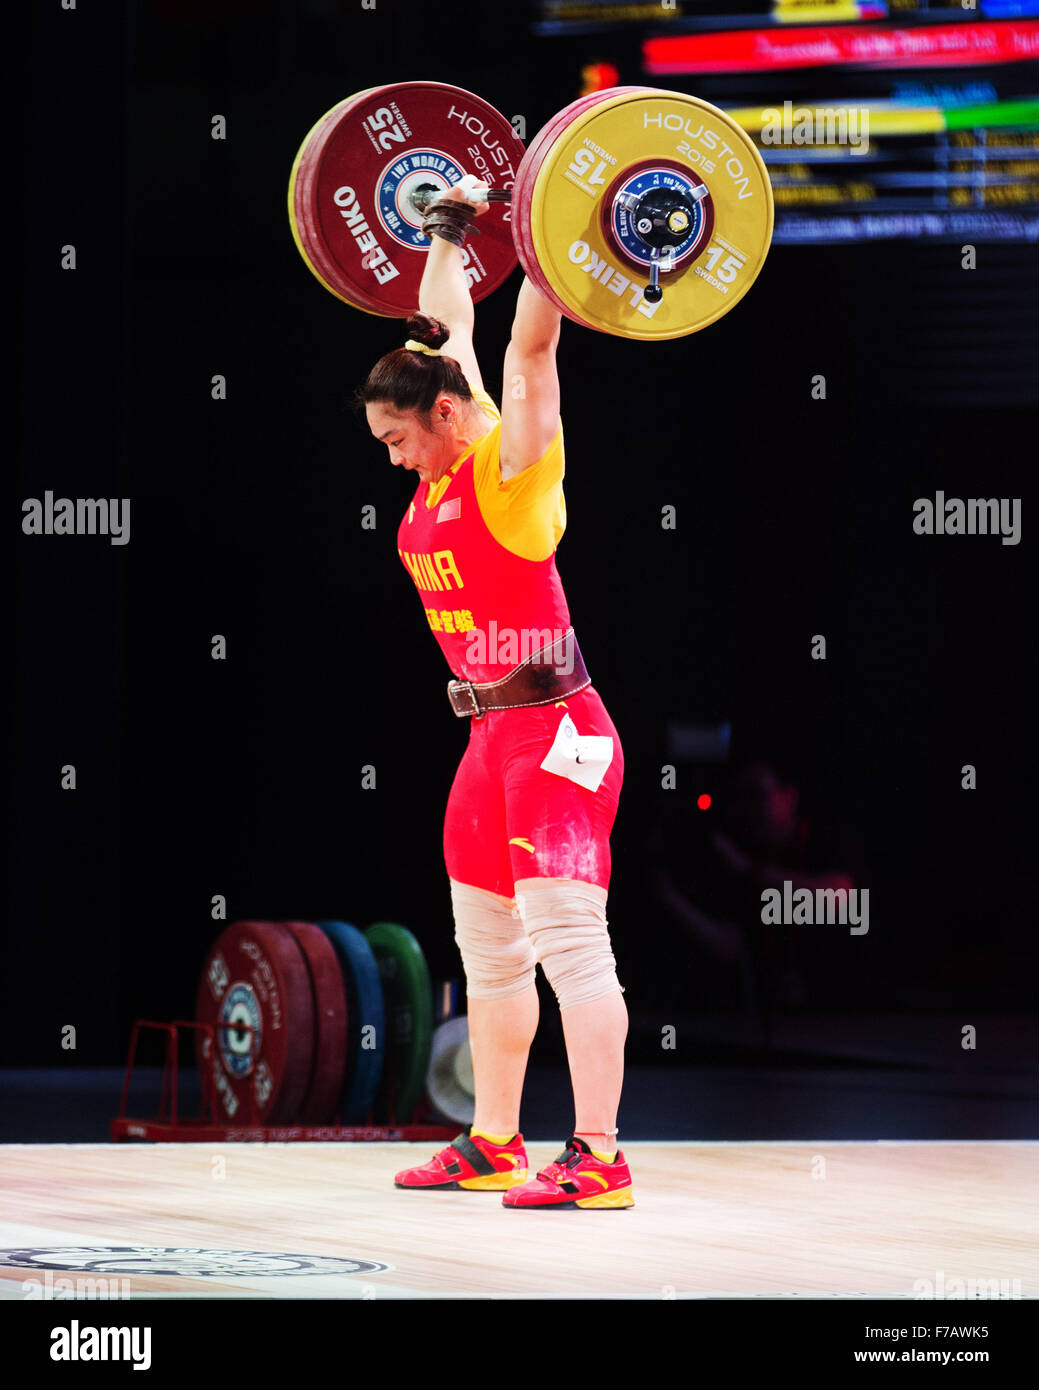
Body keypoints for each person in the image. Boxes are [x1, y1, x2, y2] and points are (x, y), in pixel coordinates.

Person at [355, 178, 632, 1209]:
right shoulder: (439, 461)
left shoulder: (510, 471)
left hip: (558, 732)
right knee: (489, 951)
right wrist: (451, 225)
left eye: (396, 439)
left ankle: (599, 1154)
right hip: (487, 740)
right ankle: (494, 1139)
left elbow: (524, 352)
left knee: (570, 948)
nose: (393, 460)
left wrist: (549, 236)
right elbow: (450, 320)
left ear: (441, 415)